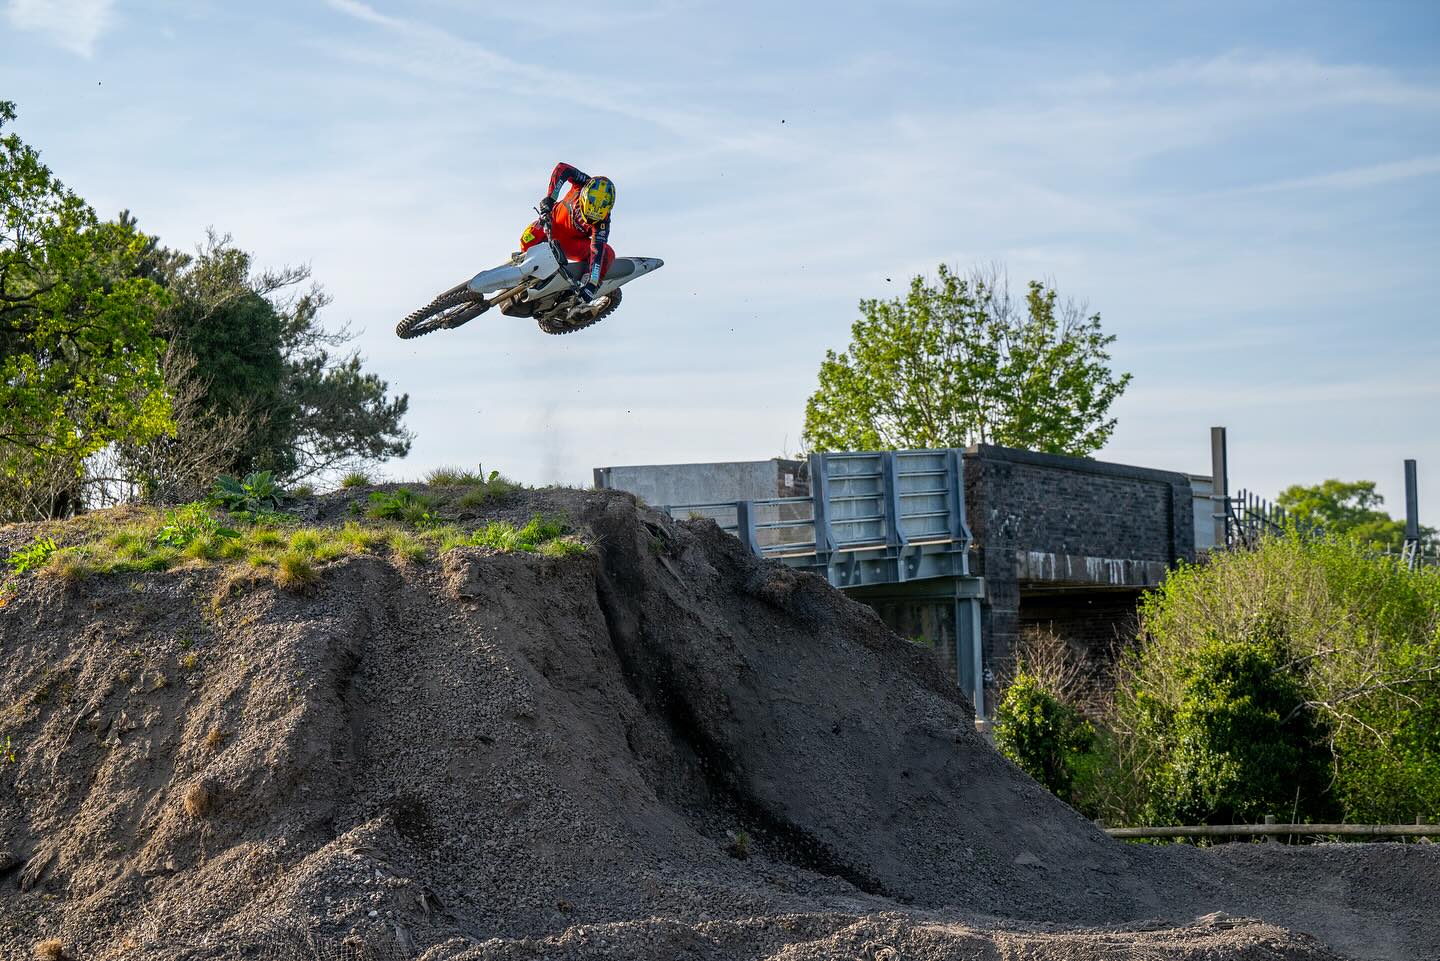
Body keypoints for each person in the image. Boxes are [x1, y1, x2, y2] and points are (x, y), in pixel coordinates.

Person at [519, 162, 616, 302]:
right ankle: (522, 268)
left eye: (593, 219)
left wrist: (593, 284)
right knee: (526, 239)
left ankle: (582, 287)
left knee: (607, 252)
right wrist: (550, 199)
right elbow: (562, 168)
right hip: (551, 226)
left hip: (571, 244)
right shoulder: (583, 182)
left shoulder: (603, 223)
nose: (588, 219)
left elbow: (597, 250)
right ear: (584, 197)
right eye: (586, 213)